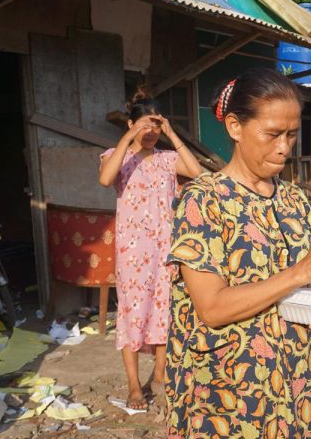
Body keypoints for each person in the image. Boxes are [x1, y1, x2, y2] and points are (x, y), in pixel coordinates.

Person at [164, 69, 311, 438]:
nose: (284, 147)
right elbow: (212, 309)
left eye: (292, 135)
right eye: (272, 134)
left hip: (295, 385)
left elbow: (309, 298)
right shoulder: (203, 199)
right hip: (229, 392)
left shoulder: (295, 201)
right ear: (234, 127)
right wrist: (301, 272)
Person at [98, 86, 203, 410]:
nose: (151, 132)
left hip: (164, 250)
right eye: (146, 125)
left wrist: (172, 132)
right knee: (131, 315)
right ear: (131, 125)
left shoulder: (167, 159)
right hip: (132, 252)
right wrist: (128, 139)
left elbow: (197, 172)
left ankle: (159, 374)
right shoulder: (117, 157)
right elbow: (105, 179)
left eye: (156, 126)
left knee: (164, 312)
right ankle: (133, 387)